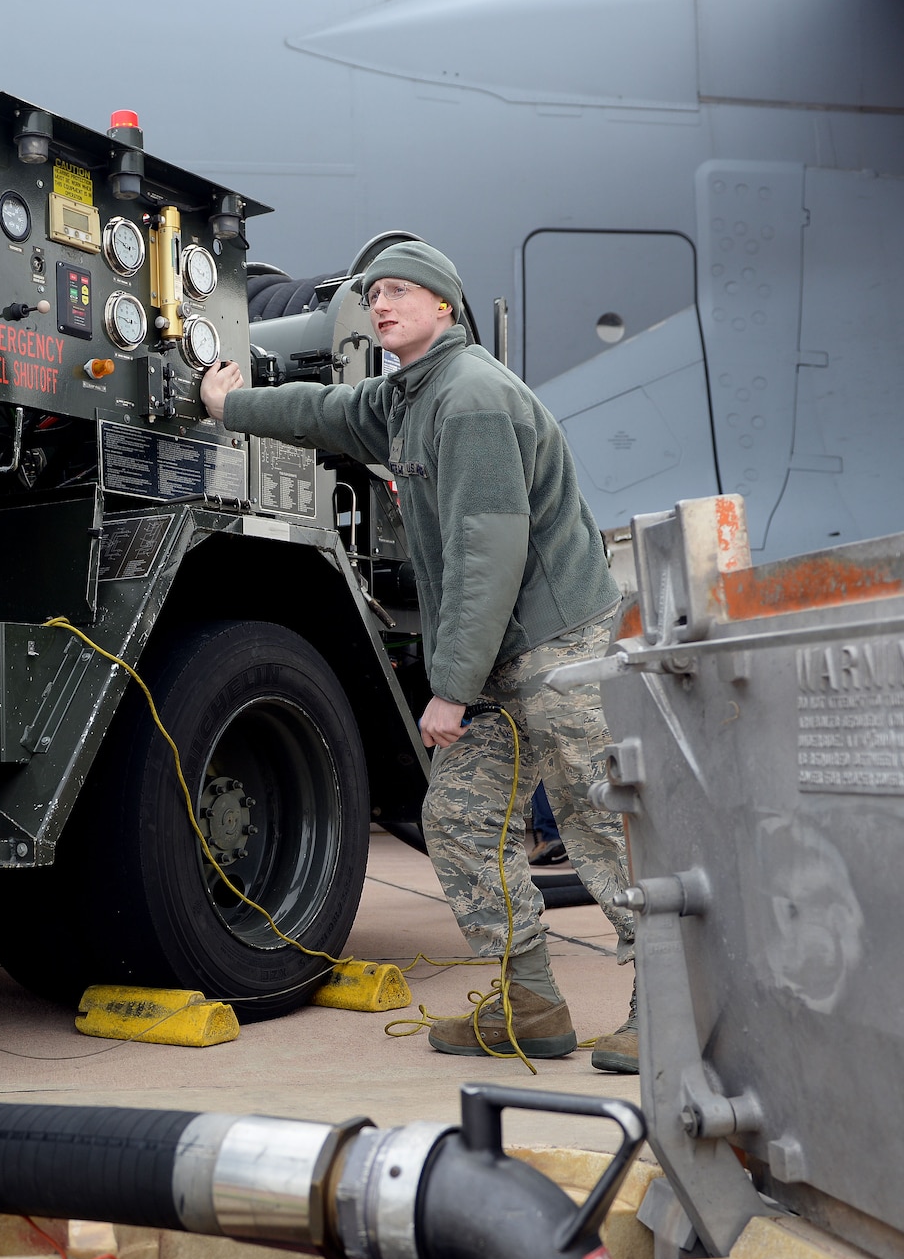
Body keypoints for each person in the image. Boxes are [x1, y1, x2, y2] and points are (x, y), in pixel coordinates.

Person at [199, 241, 641, 1073]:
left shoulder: (469, 399)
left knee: (597, 820)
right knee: (461, 818)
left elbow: (488, 555)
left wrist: (451, 690)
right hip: (500, 653)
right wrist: (231, 407)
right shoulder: (410, 395)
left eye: (399, 291)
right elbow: (326, 412)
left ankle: (672, 1008)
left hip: (552, 643)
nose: (380, 304)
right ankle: (533, 1005)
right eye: (372, 295)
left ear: (445, 306)